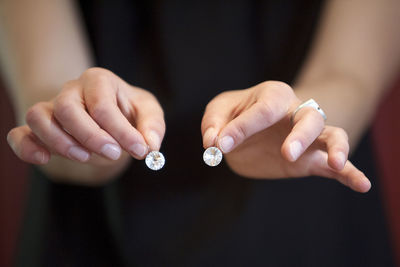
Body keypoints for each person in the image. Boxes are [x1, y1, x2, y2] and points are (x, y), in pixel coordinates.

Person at [1, 0, 399, 266]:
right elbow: (46, 87)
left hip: (308, 218)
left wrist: (299, 116)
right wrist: (85, 126)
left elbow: (349, 74)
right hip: (95, 229)